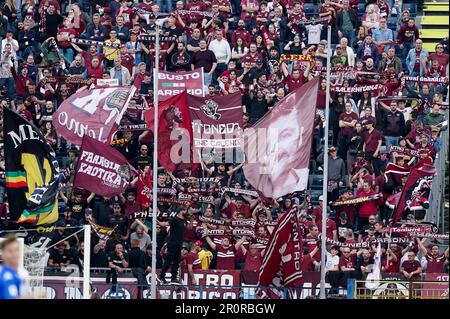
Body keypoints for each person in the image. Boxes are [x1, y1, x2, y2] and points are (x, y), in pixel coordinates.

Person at [159, 207, 187, 284]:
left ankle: (173, 277)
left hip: (179, 243)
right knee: (169, 260)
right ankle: (162, 276)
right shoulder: (174, 219)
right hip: (172, 242)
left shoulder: (184, 220)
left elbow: (189, 227)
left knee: (176, 261)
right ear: (180, 211)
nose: (186, 212)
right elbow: (166, 224)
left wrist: (191, 219)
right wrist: (158, 222)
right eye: (184, 210)